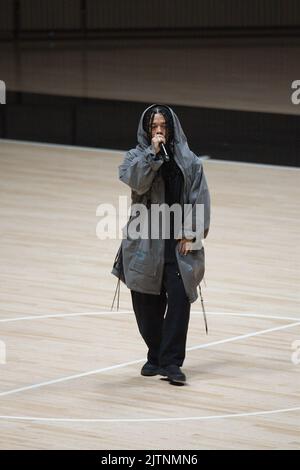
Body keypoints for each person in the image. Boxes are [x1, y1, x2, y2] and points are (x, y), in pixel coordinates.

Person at [111, 104, 210, 385]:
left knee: (179, 298)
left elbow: (199, 198)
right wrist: (153, 156)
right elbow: (137, 183)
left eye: (162, 127)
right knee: (145, 302)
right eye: (153, 127)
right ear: (146, 130)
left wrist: (191, 234)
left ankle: (170, 363)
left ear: (172, 129)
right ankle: (155, 354)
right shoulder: (135, 158)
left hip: (177, 244)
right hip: (144, 242)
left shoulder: (190, 162)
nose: (158, 132)